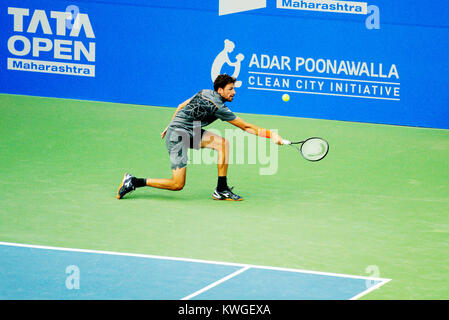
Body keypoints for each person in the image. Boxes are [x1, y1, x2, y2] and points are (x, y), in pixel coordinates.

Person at [117, 74, 284, 201]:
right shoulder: (219, 107)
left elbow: (181, 105)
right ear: (220, 90)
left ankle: (221, 189)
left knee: (222, 144)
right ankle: (134, 181)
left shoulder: (204, 92)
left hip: (189, 130)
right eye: (230, 89)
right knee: (177, 184)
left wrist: (171, 124)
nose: (234, 92)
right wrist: (272, 135)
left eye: (234, 88)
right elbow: (246, 127)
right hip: (178, 136)